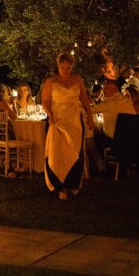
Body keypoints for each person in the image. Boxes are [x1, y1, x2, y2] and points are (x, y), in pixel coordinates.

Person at [42, 53, 94, 200]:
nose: (65, 70)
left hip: (74, 121)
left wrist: (90, 116)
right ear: (58, 66)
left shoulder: (77, 79)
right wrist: (50, 114)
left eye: (68, 67)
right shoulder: (51, 81)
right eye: (62, 67)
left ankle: (73, 184)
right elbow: (45, 100)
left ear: (72, 67)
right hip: (58, 120)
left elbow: (84, 99)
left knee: (75, 153)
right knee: (57, 154)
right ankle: (60, 186)